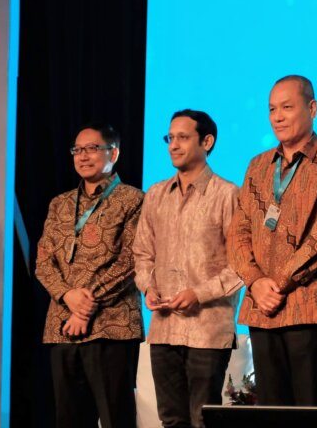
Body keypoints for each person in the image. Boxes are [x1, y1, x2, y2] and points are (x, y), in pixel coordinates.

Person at [226, 75, 317, 407]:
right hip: (262, 309)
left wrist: (279, 283)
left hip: (310, 305)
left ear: (312, 109)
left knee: (310, 406)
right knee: (270, 407)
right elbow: (238, 234)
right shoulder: (257, 166)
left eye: (287, 107)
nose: (278, 116)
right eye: (272, 109)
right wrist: (255, 283)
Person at [133, 109, 242, 428]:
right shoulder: (155, 194)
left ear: (206, 142)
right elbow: (141, 252)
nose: (173, 145)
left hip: (207, 329)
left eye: (183, 137)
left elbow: (240, 265)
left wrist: (198, 293)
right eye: (170, 138)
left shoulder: (227, 194)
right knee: (170, 418)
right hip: (164, 327)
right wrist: (147, 286)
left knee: (202, 418)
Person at [35, 123, 144, 428]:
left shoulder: (134, 199)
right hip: (62, 325)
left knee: (115, 416)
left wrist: (86, 307)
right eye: (77, 149)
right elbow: (43, 261)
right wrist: (68, 296)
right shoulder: (60, 203)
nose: (83, 156)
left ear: (114, 153)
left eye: (92, 148)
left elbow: (131, 260)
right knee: (68, 418)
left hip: (112, 325)